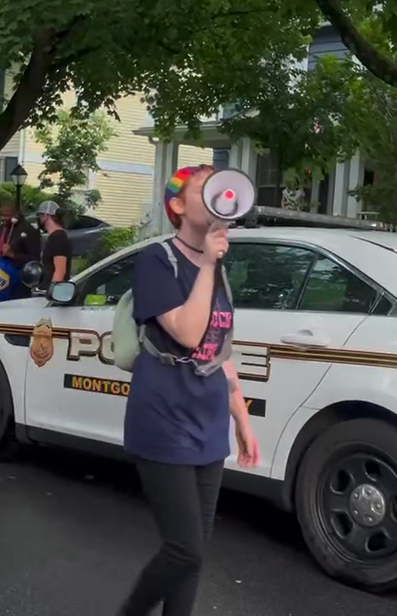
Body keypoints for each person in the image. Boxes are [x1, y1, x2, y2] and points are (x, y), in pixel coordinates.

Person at [118, 165, 260, 616]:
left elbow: (219, 346)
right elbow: (186, 332)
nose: (220, 195)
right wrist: (207, 263)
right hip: (163, 416)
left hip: (208, 419)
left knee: (194, 552)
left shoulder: (214, 268)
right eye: (204, 189)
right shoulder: (158, 261)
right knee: (185, 549)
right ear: (177, 205)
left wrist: (242, 418)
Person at [0, 197, 40, 299]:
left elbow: (35, 260)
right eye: (1, 215)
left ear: (16, 215)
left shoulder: (29, 231)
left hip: (16, 287)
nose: (2, 218)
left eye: (6, 215)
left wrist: (14, 255)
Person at [36, 200, 72, 289]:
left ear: (46, 216)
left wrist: (52, 293)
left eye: (40, 215)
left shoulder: (58, 238)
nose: (39, 219)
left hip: (53, 293)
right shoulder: (54, 237)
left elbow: (60, 271)